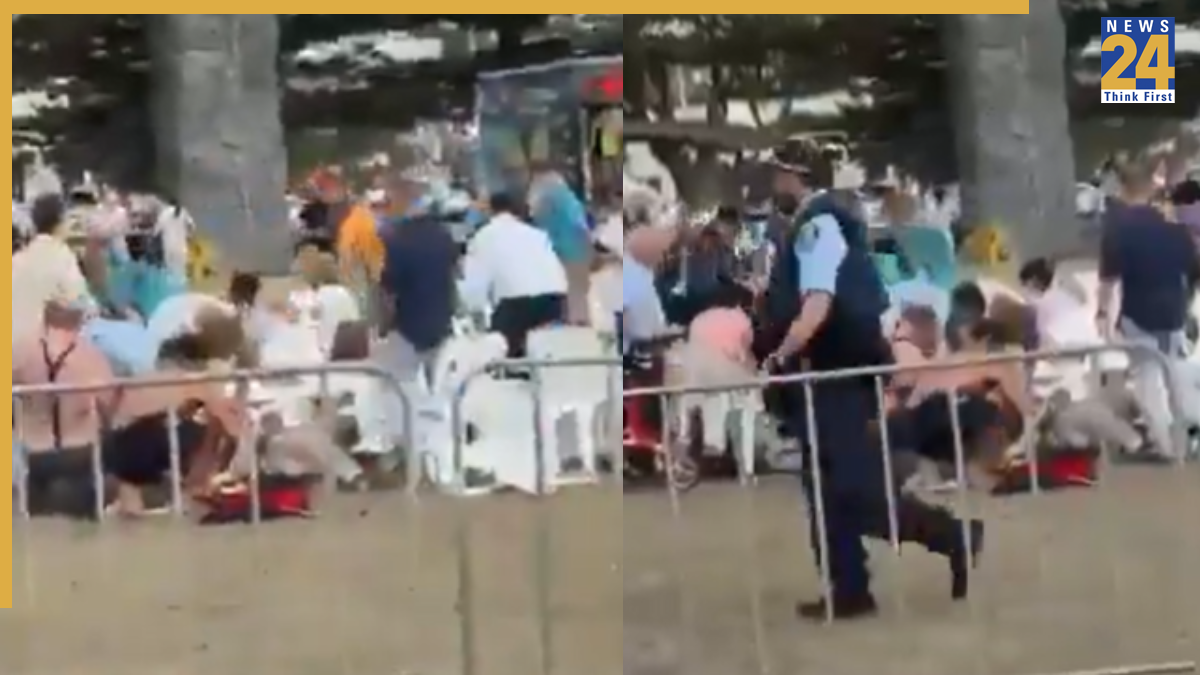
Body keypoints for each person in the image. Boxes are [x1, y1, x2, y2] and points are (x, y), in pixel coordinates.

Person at [760, 144, 981, 621]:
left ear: (794, 176)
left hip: (833, 374)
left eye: (778, 173)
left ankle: (950, 537)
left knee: (852, 492)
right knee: (825, 490)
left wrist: (778, 353)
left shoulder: (817, 226)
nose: (773, 182)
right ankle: (849, 588)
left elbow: (817, 305)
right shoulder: (825, 222)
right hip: (834, 372)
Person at [1098, 162, 1200, 458]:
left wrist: (1103, 315)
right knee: (1176, 375)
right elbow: (1190, 270)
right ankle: (1186, 435)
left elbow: (1108, 282)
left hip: (1137, 314)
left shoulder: (1117, 230)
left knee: (1147, 380)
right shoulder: (1177, 231)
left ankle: (1168, 446)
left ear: (1121, 189)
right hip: (1174, 314)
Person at [13, 295, 118, 519]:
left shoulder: (20, 351)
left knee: (37, 523)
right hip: (80, 451)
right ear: (79, 320)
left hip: (34, 454)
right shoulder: (91, 356)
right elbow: (110, 406)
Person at [462, 192, 569, 359]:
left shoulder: (484, 237)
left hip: (515, 303)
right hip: (553, 297)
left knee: (504, 356)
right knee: (547, 355)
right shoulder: (537, 234)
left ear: (490, 210)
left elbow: (475, 287)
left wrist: (474, 313)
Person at [12, 193, 95, 346]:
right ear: (60, 222)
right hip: (40, 351)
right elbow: (81, 304)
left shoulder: (18, 258)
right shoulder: (61, 256)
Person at [529, 164, 592, 324]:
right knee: (577, 290)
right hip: (575, 249)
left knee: (565, 289)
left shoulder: (546, 198)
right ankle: (579, 321)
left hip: (559, 250)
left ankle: (571, 321)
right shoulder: (569, 200)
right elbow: (580, 226)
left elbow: (538, 222)